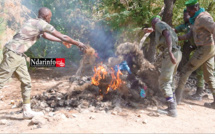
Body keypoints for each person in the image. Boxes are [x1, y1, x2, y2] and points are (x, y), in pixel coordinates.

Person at [0, 7, 87, 119]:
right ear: (46, 17)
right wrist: (78, 43)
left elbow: (45, 36)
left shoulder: (33, 21)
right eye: (50, 17)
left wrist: (62, 41)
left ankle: (27, 111)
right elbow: (62, 35)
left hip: (18, 55)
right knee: (1, 80)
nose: (50, 19)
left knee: (26, 82)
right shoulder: (42, 24)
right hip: (13, 53)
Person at [175, 0, 215, 109]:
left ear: (195, 9)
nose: (188, 13)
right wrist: (177, 37)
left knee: (185, 70)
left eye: (189, 11)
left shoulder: (203, 17)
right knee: (209, 75)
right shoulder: (196, 19)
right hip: (209, 48)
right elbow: (190, 34)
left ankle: (176, 99)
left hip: (205, 48)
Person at [144, 15, 182, 117]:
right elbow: (166, 31)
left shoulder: (158, 24)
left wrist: (169, 52)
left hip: (171, 53)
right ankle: (173, 105)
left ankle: (172, 109)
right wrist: (150, 30)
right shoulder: (163, 25)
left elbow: (167, 34)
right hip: (178, 52)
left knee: (164, 81)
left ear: (153, 22)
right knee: (169, 80)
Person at [175, 9, 205, 101]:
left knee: (201, 72)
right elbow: (175, 29)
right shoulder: (185, 26)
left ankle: (198, 94)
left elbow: (190, 36)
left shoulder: (196, 25)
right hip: (199, 49)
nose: (184, 17)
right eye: (184, 15)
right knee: (205, 73)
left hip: (205, 50)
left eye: (186, 15)